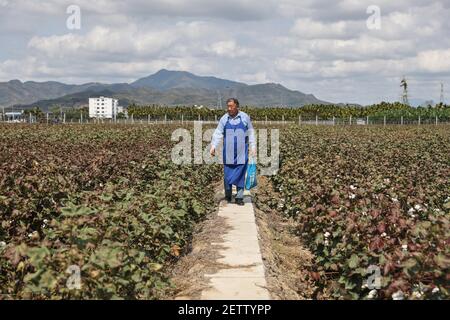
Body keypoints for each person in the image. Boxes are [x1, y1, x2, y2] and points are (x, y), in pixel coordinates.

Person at [210, 98, 256, 205]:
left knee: (240, 174)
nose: (229, 109)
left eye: (231, 106)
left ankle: (239, 198)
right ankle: (228, 195)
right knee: (227, 174)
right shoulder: (224, 119)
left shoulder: (244, 117)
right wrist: (213, 146)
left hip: (241, 151)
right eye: (228, 106)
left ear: (237, 107)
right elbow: (218, 133)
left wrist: (253, 147)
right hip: (228, 152)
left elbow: (251, 132)